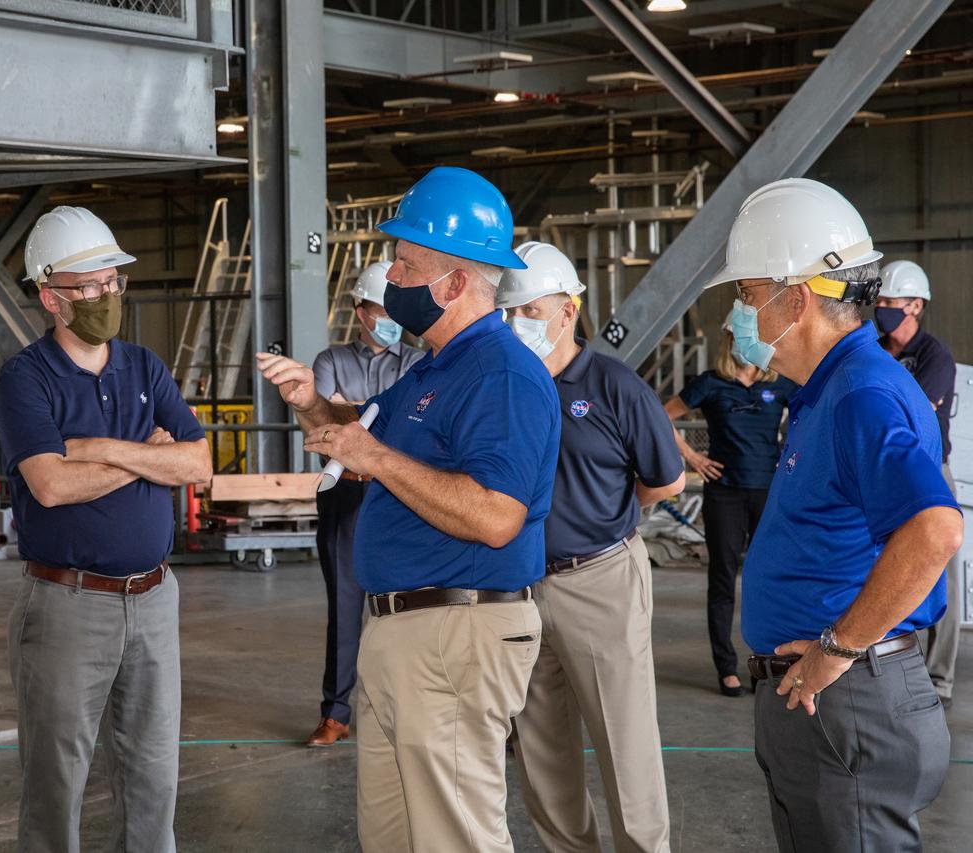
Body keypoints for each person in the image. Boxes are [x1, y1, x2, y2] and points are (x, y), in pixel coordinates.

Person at [257, 166, 559, 853]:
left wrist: (379, 460)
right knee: (393, 835)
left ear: (455, 282)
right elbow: (366, 434)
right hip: (406, 631)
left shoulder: (502, 374)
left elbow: (495, 515)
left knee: (456, 836)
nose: (391, 276)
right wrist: (312, 401)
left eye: (405, 262)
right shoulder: (432, 367)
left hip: (457, 632)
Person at [706, 177, 961, 852]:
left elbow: (935, 528)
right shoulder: (828, 391)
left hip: (849, 698)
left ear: (796, 298)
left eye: (747, 294)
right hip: (830, 701)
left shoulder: (861, 393)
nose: (739, 313)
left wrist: (836, 649)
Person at [0, 206, 211, 853]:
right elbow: (51, 484)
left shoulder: (144, 366)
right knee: (55, 785)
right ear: (50, 295)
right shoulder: (25, 378)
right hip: (68, 604)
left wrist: (99, 449)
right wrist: (146, 454)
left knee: (153, 779)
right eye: (87, 286)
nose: (103, 295)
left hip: (152, 597)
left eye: (111, 281)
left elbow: (197, 462)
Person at [500, 241, 685, 853]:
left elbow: (667, 479)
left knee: (624, 743)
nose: (515, 321)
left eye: (529, 309)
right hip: (522, 586)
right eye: (507, 311)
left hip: (599, 579)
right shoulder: (507, 385)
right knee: (542, 749)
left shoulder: (613, 385)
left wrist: (607, 514)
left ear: (567, 311)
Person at [305, 260, 424, 747]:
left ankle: (408, 707)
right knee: (346, 604)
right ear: (360, 312)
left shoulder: (417, 363)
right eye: (380, 309)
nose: (391, 318)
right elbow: (325, 423)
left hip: (401, 492)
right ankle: (336, 712)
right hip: (347, 491)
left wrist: (350, 410)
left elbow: (401, 424)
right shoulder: (329, 359)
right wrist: (360, 413)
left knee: (413, 603)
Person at [663, 328, 798, 696]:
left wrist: (791, 457)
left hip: (767, 494)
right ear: (728, 340)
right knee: (723, 579)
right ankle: (726, 667)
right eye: (739, 335)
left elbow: (809, 416)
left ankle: (764, 661)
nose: (745, 342)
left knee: (766, 579)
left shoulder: (781, 384)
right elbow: (662, 415)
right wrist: (692, 457)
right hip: (724, 494)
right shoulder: (711, 383)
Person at [877, 259, 961, 708]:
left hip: (929, 473)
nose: (883, 309)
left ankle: (940, 679)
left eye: (892, 303)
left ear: (916, 305)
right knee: (889, 568)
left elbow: (916, 414)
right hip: (883, 472)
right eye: (881, 302)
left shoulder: (933, 356)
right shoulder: (876, 349)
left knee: (939, 574)